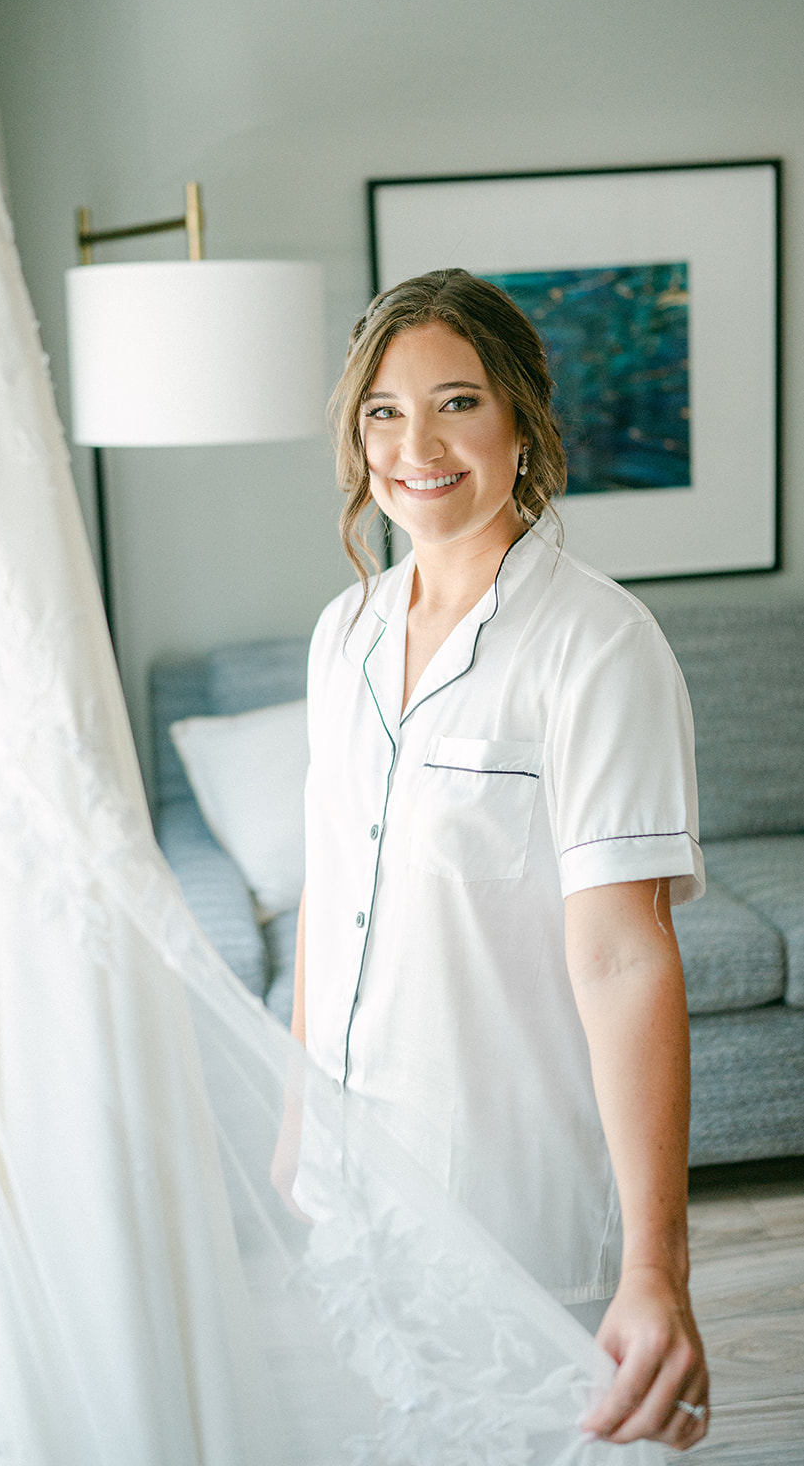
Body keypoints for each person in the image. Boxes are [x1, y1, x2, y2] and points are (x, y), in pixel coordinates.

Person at [291, 268, 710, 1451]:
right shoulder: (346, 633)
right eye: (383, 410)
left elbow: (629, 957)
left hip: (509, 1206)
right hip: (354, 1197)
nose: (415, 443)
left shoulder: (599, 645)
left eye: (456, 402)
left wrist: (657, 1266)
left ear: (522, 423)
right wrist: (295, 1122)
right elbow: (331, 879)